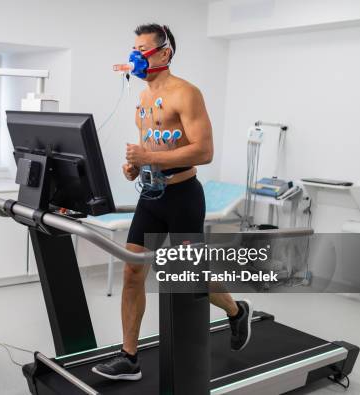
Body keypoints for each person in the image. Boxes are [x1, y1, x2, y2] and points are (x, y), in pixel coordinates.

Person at [92, 24, 253, 381]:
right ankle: (128, 357)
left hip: (182, 196)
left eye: (143, 49)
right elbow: (152, 147)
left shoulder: (186, 93)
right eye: (133, 48)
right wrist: (135, 165)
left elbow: (204, 150)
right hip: (151, 197)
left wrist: (149, 156)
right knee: (133, 270)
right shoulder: (143, 97)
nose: (135, 56)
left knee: (187, 278)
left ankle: (235, 310)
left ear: (164, 54)